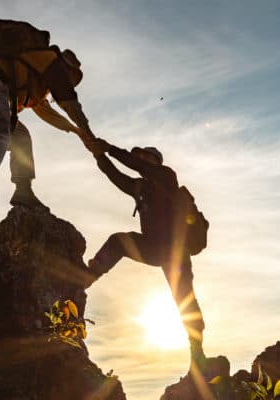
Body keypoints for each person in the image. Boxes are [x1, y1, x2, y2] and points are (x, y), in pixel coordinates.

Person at [86, 138, 207, 370]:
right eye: (138, 155)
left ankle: (197, 349)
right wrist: (98, 155)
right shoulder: (139, 188)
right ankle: (90, 274)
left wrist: (109, 148)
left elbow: (135, 165)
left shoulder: (167, 177)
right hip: (152, 248)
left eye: (144, 157)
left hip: (176, 252)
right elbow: (116, 176)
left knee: (184, 299)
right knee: (119, 241)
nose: (140, 159)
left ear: (155, 162)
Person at [0, 38, 96, 221]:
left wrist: (76, 131)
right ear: (66, 69)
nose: (68, 82)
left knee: (20, 136)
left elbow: (46, 112)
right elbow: (70, 104)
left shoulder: (39, 74)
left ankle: (23, 190)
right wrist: (88, 133)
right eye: (69, 78)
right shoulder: (49, 64)